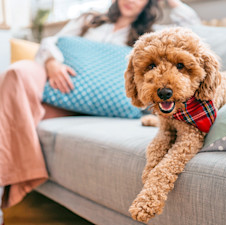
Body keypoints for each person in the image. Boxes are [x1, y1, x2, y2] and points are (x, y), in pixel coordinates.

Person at [0, 0, 200, 222]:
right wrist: (52, 63)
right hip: (59, 89)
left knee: (10, 114)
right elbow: (50, 42)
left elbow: (192, 28)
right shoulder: (89, 19)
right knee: (16, 73)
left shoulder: (147, 37)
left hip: (97, 105)